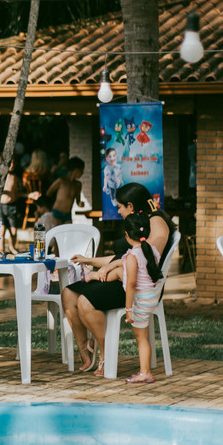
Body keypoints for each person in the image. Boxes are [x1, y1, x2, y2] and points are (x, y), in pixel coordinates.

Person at [64, 182, 174, 375]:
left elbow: (142, 257)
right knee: (68, 293)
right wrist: (88, 260)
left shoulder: (155, 221)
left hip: (139, 285)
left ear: (131, 206)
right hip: (123, 275)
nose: (118, 211)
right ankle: (85, 349)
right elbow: (122, 257)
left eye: (120, 206)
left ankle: (105, 352)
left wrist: (110, 268)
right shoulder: (137, 222)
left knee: (85, 301)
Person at [120, 212, 163, 385]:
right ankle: (145, 371)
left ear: (127, 235)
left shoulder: (132, 256)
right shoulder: (152, 250)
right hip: (152, 296)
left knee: (141, 338)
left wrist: (128, 309)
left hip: (141, 300)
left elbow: (131, 284)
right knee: (143, 337)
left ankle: (145, 372)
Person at [43, 157, 86, 224]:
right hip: (56, 213)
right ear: (76, 170)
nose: (82, 173)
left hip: (68, 215)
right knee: (57, 230)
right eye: (82, 171)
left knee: (69, 230)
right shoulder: (61, 181)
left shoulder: (78, 185)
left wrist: (80, 203)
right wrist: (48, 208)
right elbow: (48, 193)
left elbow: (78, 200)